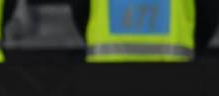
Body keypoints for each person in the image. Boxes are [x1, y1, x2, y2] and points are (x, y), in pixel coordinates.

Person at [70, 0, 219, 62]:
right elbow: (209, 13)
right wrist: (192, 45)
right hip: (173, 70)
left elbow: (80, 10)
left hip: (107, 70)